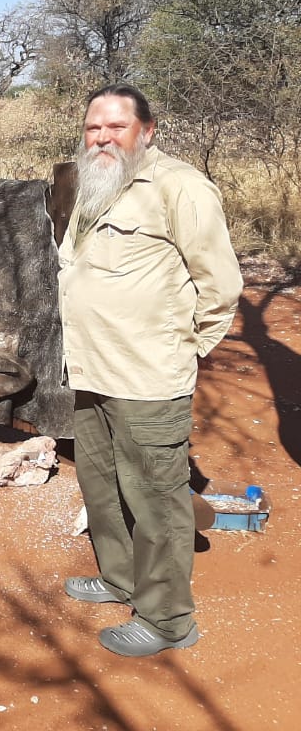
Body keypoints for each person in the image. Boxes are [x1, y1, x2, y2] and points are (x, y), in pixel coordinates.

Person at [58, 83, 242, 657]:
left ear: (147, 130)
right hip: (92, 370)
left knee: (156, 497)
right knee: (102, 485)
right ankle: (120, 578)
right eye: (94, 127)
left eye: (116, 126)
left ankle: (167, 619)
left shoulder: (180, 187)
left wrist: (185, 349)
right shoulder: (96, 183)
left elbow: (221, 284)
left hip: (147, 376)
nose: (102, 137)